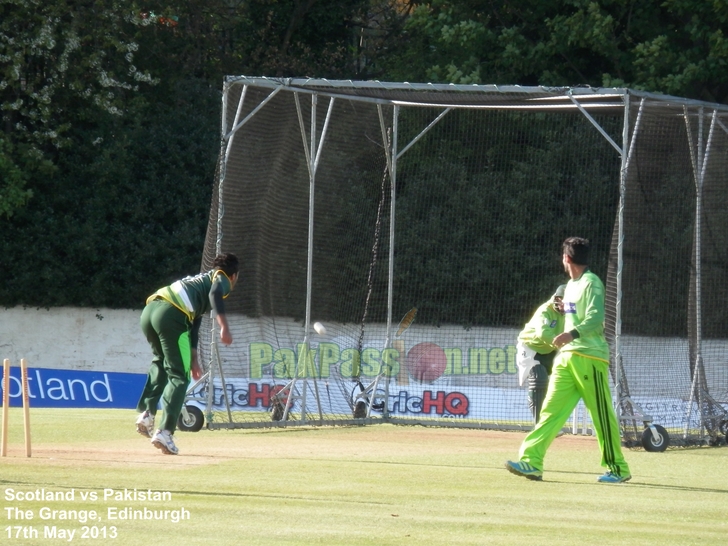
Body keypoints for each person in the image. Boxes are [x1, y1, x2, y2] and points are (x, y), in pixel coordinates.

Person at [506, 237, 631, 483]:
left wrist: (570, 334)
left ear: (566, 258)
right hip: (566, 358)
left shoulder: (591, 283)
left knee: (601, 415)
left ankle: (618, 468)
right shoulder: (570, 286)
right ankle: (531, 462)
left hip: (589, 356)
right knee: (550, 412)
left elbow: (595, 318)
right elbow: (574, 313)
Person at [135, 253, 239, 455]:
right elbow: (215, 295)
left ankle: (147, 414)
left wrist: (194, 360)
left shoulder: (199, 283)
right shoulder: (222, 279)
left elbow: (193, 325)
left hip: (150, 311)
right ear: (234, 275)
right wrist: (224, 327)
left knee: (161, 362)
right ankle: (165, 432)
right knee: (179, 377)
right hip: (171, 315)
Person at [517, 284, 566, 424]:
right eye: (565, 302)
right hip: (531, 347)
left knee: (561, 381)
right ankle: (540, 424)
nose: (567, 306)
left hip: (550, 350)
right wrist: (561, 344)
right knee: (539, 378)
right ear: (558, 299)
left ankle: (552, 421)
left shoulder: (571, 312)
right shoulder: (545, 311)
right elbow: (542, 333)